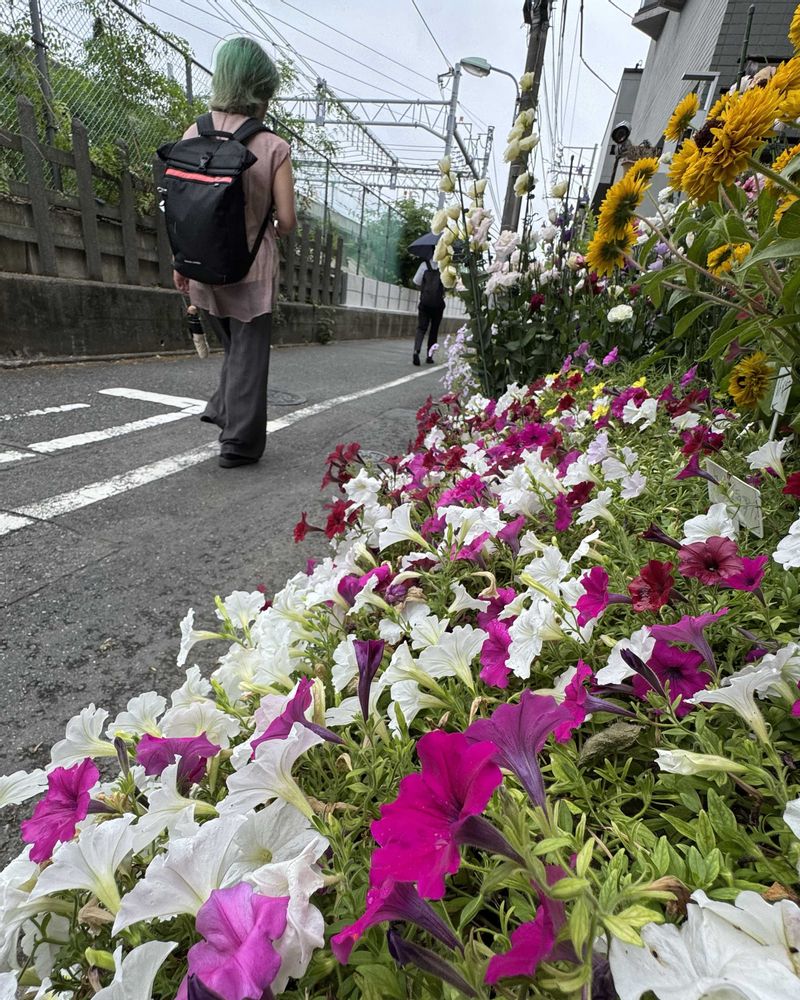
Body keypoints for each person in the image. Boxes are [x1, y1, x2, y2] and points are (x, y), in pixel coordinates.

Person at [172, 37, 297, 468]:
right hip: (251, 265)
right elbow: (287, 220)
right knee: (249, 353)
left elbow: (182, 205)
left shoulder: (193, 133)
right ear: (261, 89)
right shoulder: (274, 147)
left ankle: (224, 409)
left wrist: (180, 263)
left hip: (202, 260)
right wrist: (267, 226)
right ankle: (239, 442)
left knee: (234, 349)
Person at [411, 257, 445, 366]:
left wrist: (425, 289)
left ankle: (416, 351)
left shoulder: (424, 265)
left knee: (421, 328)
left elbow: (416, 281)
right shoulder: (444, 266)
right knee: (434, 331)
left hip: (425, 303)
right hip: (438, 305)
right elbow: (448, 285)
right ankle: (429, 356)